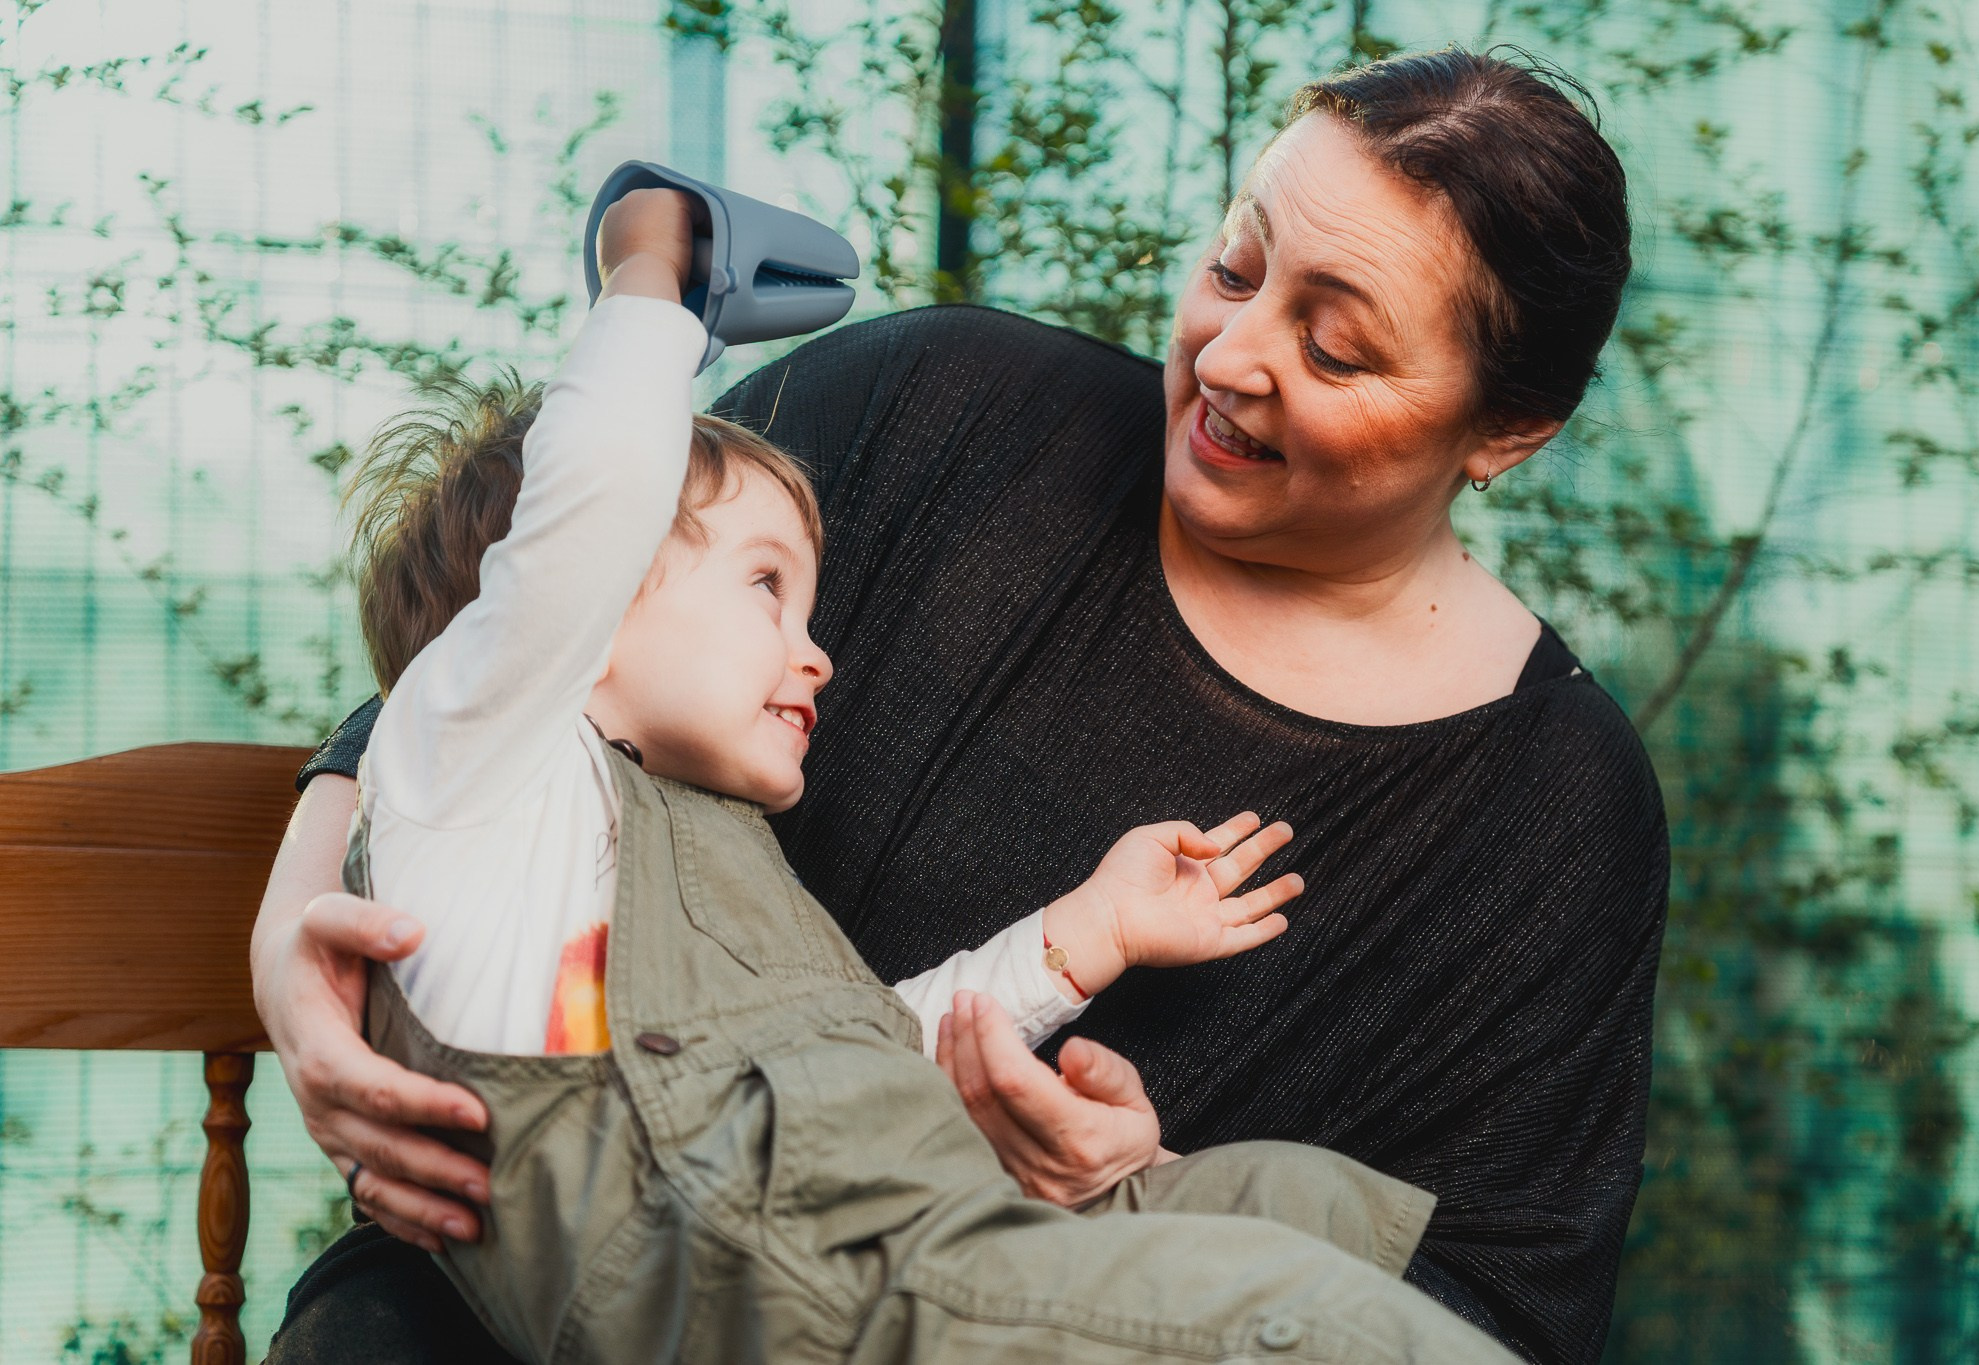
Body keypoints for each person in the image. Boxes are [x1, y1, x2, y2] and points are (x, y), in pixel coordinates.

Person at [256, 48, 1667, 1365]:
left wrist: (1131, 1181)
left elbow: (1499, 1301)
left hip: (1003, 1267)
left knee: (1299, 1219)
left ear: (1506, 433)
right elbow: (517, 633)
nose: (1232, 356)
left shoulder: (1556, 808)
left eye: (1337, 348)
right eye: (1234, 266)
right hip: (637, 1279)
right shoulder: (943, 411)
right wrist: (296, 945)